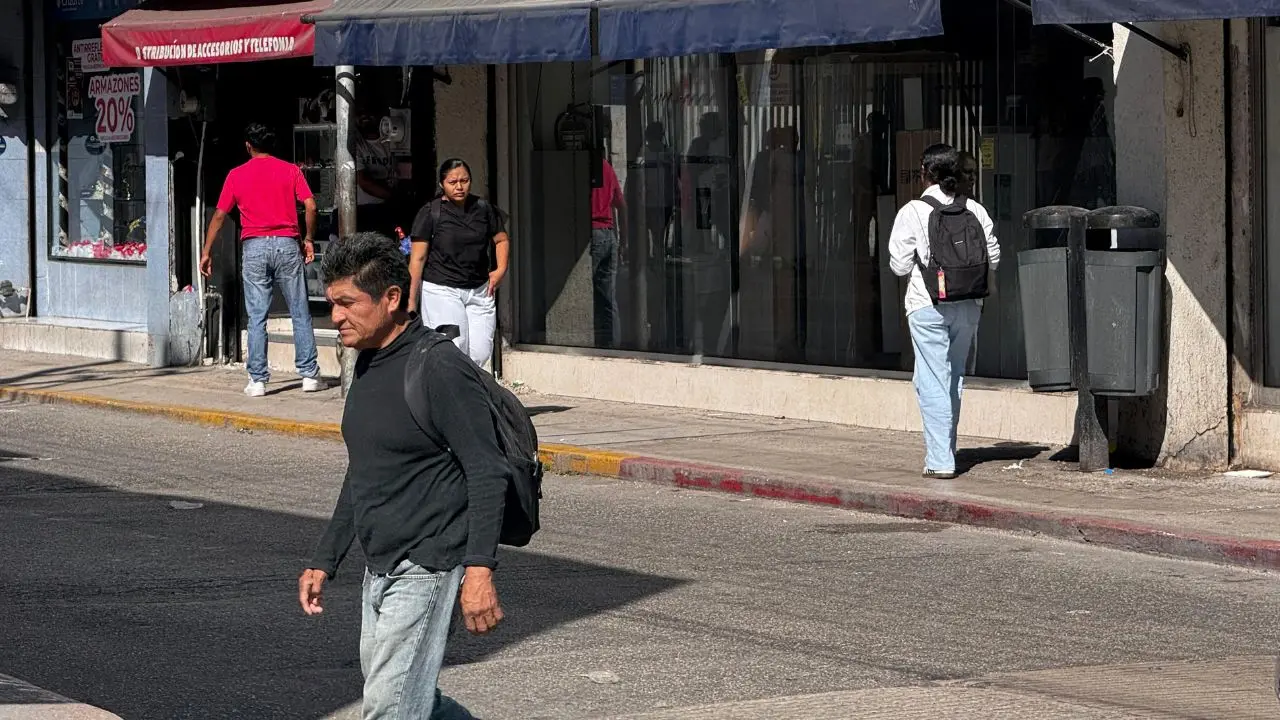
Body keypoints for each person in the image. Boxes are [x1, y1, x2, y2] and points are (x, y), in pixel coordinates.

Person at [299, 232, 509, 719]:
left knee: (390, 709)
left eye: (348, 303)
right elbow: (365, 468)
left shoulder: (437, 366)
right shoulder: (368, 362)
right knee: (408, 700)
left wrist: (479, 570)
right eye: (332, 304)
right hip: (380, 567)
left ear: (392, 298)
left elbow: (486, 469)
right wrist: (325, 559)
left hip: (427, 564)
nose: (336, 317)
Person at [889, 144, 1000, 479]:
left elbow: (898, 265)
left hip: (928, 305)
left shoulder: (913, 211)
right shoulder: (976, 210)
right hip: (968, 306)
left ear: (926, 173)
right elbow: (992, 256)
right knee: (953, 377)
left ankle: (940, 460)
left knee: (932, 381)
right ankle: (945, 449)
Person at [202, 122, 322, 397]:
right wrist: (308, 238)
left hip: (254, 246)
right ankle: (309, 375)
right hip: (287, 244)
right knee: (300, 311)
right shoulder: (290, 170)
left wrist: (207, 251)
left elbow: (220, 215)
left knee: (257, 316)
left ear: (248, 146)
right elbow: (311, 205)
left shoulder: (236, 175)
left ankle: (258, 380)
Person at [407, 159, 510, 367]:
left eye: (464, 180)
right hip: (442, 289)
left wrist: (501, 270)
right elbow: (417, 258)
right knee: (452, 348)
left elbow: (501, 239)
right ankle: (451, 396)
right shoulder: (431, 213)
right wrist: (411, 298)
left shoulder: (483, 208)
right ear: (442, 185)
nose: (459, 186)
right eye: (453, 182)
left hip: (480, 290)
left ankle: (470, 393)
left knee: (480, 352)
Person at [591, 154, 627, 348]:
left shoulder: (586, 167)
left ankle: (590, 340)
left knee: (587, 292)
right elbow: (621, 205)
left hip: (592, 232)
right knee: (608, 296)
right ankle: (613, 344)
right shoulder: (607, 167)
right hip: (609, 234)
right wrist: (624, 240)